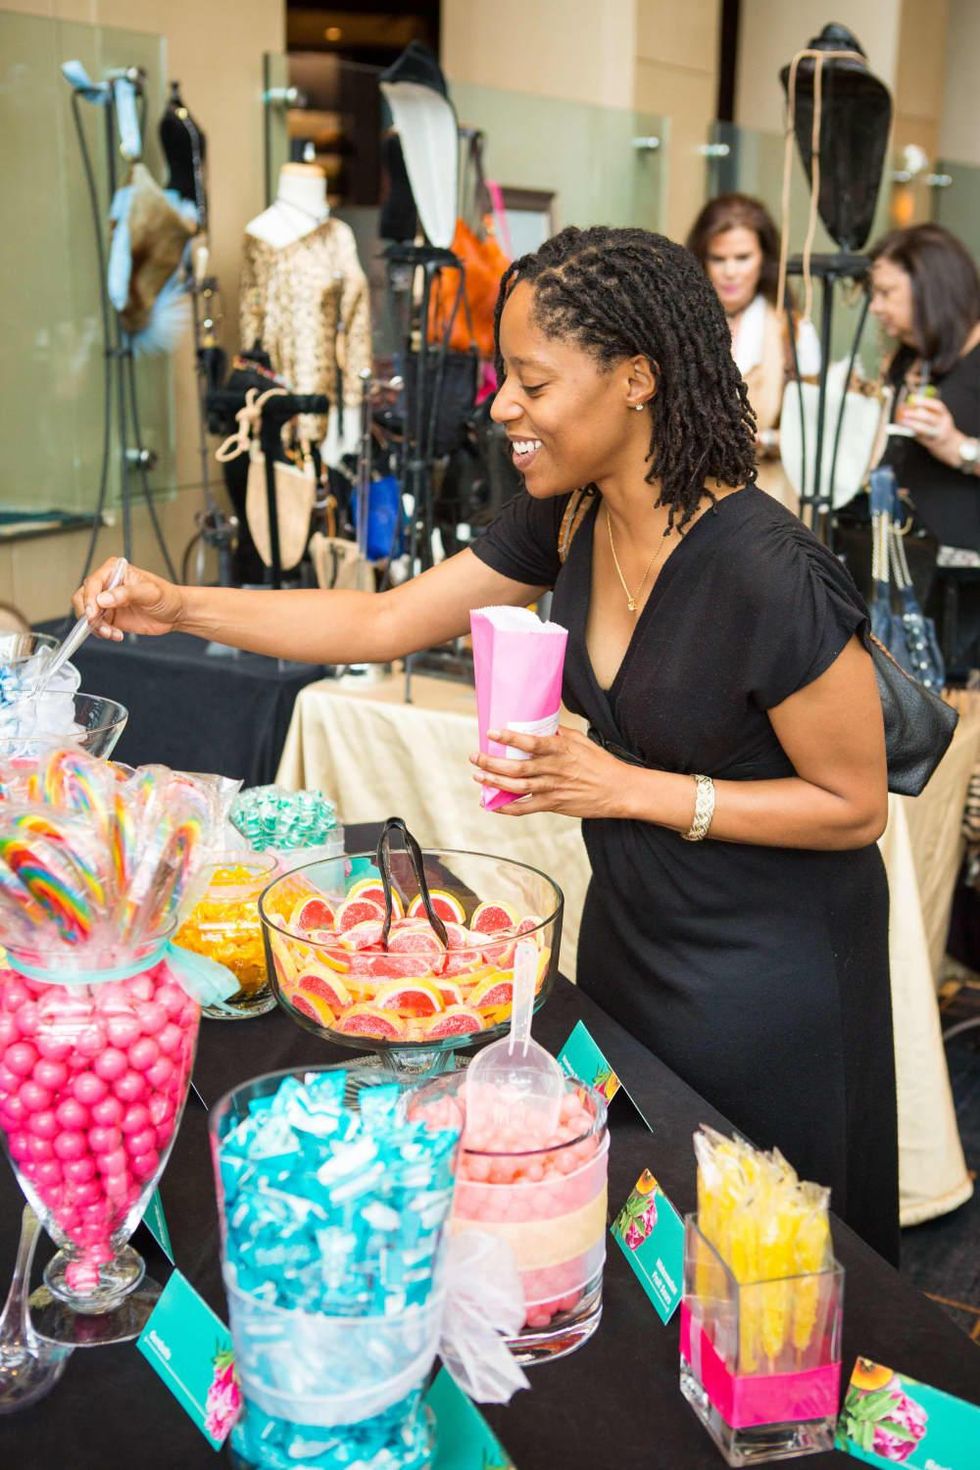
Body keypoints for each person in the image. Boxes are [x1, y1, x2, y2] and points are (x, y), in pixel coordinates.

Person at [76, 226, 898, 1262]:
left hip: (767, 977)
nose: (501, 406)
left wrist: (626, 788)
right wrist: (179, 606)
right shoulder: (571, 517)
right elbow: (383, 620)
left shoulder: (769, 571)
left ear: (637, 379)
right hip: (632, 937)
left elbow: (852, 808)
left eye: (531, 382)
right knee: (635, 1224)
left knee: (762, 1260)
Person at [868, 225, 980, 667]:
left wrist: (958, 447)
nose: (875, 307)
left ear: (929, 290)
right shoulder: (907, 359)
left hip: (965, 579)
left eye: (886, 293)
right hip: (906, 563)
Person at [686, 193, 820, 512]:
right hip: (691, 498)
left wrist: (766, 441)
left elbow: (815, 434)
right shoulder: (681, 327)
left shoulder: (794, 332)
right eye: (719, 259)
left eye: (743, 257)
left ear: (764, 259)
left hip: (768, 501)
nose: (730, 271)